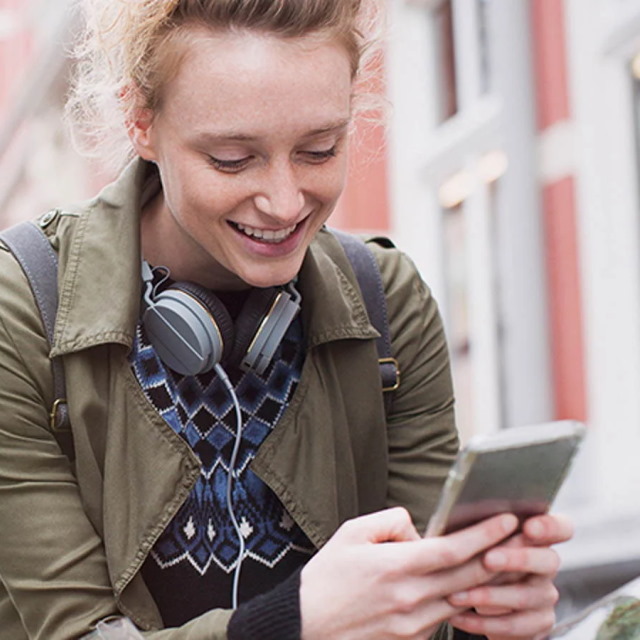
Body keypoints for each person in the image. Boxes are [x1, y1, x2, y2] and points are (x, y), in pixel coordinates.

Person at [0, 0, 572, 638]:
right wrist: (291, 622)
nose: (284, 202)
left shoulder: (389, 301)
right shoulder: (22, 310)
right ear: (141, 121)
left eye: (319, 150)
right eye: (232, 159)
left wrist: (484, 617)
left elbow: (427, 609)